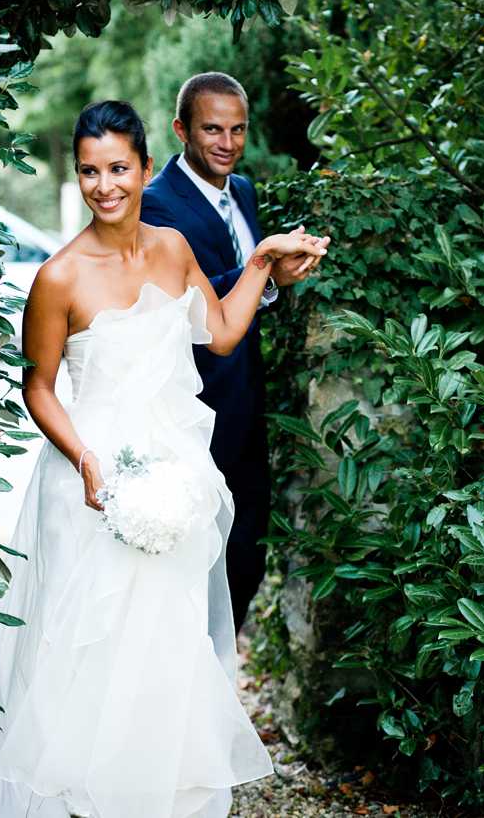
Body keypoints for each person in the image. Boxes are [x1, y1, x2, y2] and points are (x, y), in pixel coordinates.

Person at [0, 100, 329, 818]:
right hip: (89, 484)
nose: (106, 186)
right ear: (79, 173)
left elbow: (222, 333)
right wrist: (87, 460)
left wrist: (260, 260)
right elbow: (37, 387)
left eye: (119, 169)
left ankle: (150, 794)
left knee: (162, 642)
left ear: (141, 168)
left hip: (174, 477)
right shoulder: (60, 278)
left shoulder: (171, 249)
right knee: (88, 650)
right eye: (91, 171)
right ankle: (82, 800)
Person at [141, 72, 329, 629]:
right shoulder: (155, 207)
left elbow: (246, 292)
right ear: (181, 130)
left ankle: (220, 671)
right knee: (195, 554)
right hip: (190, 405)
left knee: (247, 552)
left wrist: (278, 274)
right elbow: (180, 302)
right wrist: (261, 268)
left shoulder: (242, 191)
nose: (227, 142)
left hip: (246, 397)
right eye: (213, 129)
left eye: (238, 129)